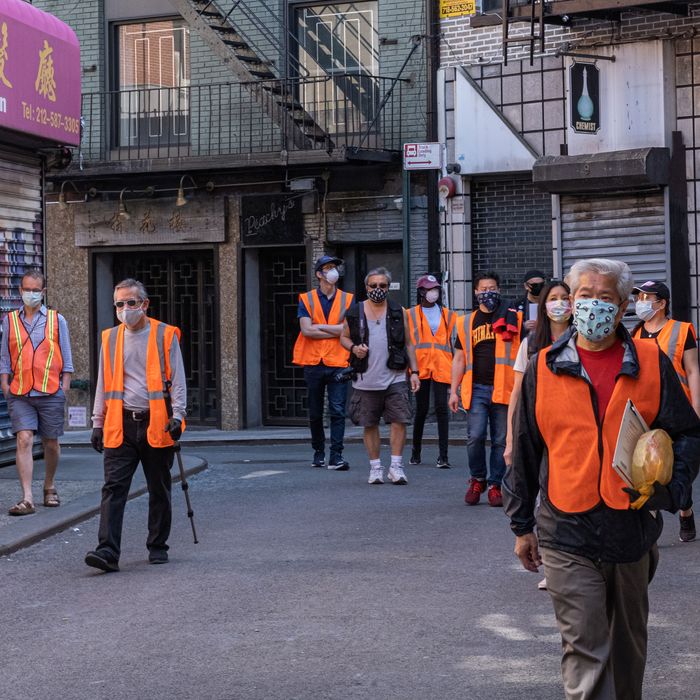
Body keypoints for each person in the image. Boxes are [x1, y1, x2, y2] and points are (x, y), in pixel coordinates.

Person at [503, 258, 700, 700]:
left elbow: (687, 433)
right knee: (585, 647)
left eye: (605, 297)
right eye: (584, 296)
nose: (593, 305)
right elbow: (524, 451)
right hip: (564, 528)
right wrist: (521, 526)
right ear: (570, 303)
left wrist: (670, 490)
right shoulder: (542, 367)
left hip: (630, 528)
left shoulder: (650, 361)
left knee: (628, 648)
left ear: (625, 304)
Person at [85, 279, 187, 572]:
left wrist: (178, 416)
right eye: (119, 304)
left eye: (131, 303)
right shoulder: (110, 338)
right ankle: (107, 552)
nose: (125, 309)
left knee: (159, 487)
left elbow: (178, 379)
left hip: (158, 423)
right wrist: (97, 422)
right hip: (121, 424)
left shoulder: (164, 335)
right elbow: (103, 383)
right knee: (113, 489)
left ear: (145, 304)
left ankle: (157, 545)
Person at [631, 279, 700, 543]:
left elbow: (693, 370)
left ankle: (685, 508)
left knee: (679, 465)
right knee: (647, 467)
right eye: (639, 298)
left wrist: (696, 410)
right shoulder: (635, 333)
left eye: (646, 298)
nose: (641, 303)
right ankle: (649, 523)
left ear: (662, 303)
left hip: (679, 412)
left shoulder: (682, 331)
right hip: (647, 411)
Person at [0, 268, 73, 516]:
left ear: (43, 292)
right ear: (20, 291)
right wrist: (5, 384)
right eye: (26, 289)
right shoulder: (9, 320)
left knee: (51, 443)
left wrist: (65, 385)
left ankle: (49, 486)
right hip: (20, 392)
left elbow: (67, 355)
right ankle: (27, 497)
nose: (30, 294)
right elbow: (4, 357)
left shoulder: (56, 320)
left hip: (50, 389)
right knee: (24, 439)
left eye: (35, 290)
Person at [341, 267, 420, 485]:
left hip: (395, 376)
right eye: (373, 286)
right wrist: (354, 348)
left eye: (382, 286)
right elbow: (343, 337)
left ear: (388, 287)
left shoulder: (398, 311)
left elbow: (409, 343)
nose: (378, 289)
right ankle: (375, 468)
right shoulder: (355, 311)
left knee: (399, 421)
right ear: (366, 287)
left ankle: (396, 467)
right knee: (369, 423)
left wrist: (415, 372)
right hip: (365, 379)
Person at [449, 271, 521, 506]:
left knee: (500, 439)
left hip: (504, 387)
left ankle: (495, 485)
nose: (488, 293)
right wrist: (453, 390)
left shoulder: (513, 319)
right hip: (476, 387)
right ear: (476, 292)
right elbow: (459, 359)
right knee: (476, 436)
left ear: (498, 290)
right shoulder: (466, 322)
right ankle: (477, 479)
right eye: (483, 289)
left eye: (492, 288)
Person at [293, 254, 354, 470]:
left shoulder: (348, 299)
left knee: (338, 410)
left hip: (338, 362)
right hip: (313, 362)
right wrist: (335, 330)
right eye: (327, 268)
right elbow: (306, 330)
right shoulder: (306, 298)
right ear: (319, 274)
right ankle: (318, 451)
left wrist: (319, 327)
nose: (332, 271)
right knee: (315, 411)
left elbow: (348, 330)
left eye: (334, 267)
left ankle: (336, 455)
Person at [406, 274, 456, 468]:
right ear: (421, 292)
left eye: (435, 288)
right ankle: (415, 452)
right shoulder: (410, 314)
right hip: (420, 368)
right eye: (429, 289)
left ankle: (443, 456)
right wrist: (411, 372)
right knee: (422, 410)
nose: (433, 292)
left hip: (443, 366)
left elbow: (451, 344)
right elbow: (408, 343)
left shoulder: (448, 314)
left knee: (443, 409)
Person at [515, 269, 546, 337]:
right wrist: (523, 326)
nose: (538, 287)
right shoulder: (516, 305)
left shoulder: (548, 303)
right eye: (534, 285)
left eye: (541, 284)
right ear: (526, 286)